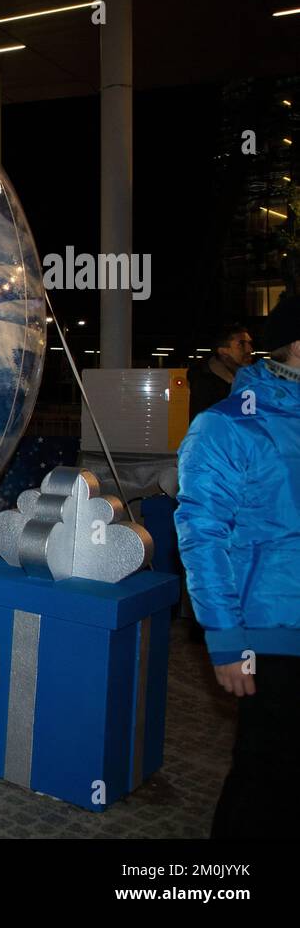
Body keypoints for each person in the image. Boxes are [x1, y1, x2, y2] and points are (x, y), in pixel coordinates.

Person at [175, 296, 300, 839]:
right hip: (272, 632)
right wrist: (225, 637)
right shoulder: (227, 425)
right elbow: (203, 536)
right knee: (266, 779)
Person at [187, 323, 254, 420]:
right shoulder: (206, 384)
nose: (250, 350)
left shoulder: (250, 380)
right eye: (242, 344)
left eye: (250, 343)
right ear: (223, 351)